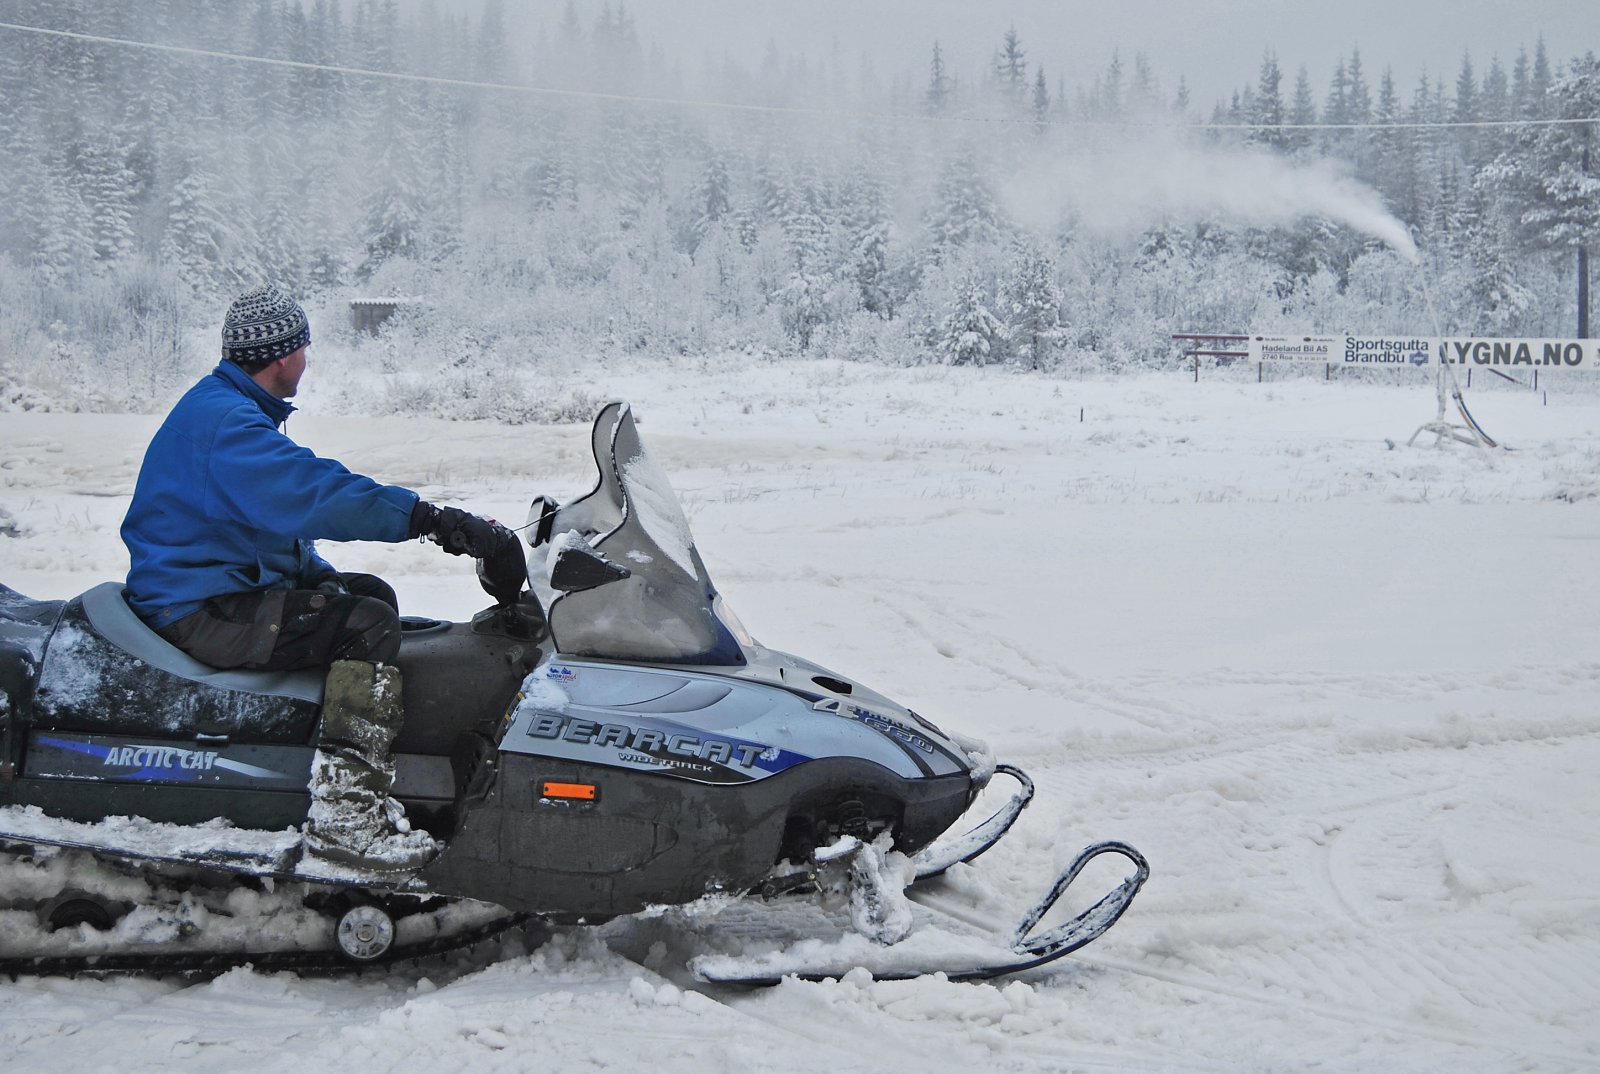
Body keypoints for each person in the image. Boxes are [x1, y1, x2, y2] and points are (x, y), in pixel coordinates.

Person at [121, 283, 514, 872]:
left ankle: (323, 756)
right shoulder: (227, 426)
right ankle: (346, 815)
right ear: (284, 356)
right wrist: (431, 520)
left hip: (216, 585)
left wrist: (321, 580)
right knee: (368, 624)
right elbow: (313, 491)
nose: (306, 360)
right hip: (199, 607)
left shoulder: (228, 409)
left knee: (366, 596)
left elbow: (271, 529)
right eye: (303, 348)